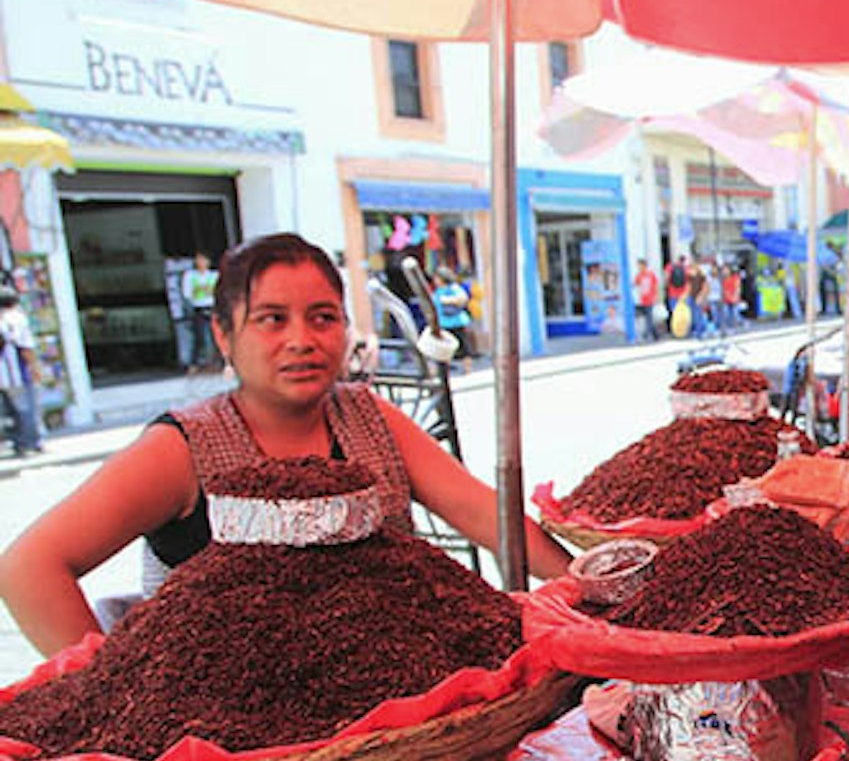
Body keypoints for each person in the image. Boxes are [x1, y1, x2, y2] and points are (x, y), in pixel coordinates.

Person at [0, 233, 572, 657]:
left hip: (394, 697)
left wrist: (588, 582)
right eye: (272, 320)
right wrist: (106, 688)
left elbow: (484, 514)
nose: (302, 340)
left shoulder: (371, 420)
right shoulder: (182, 448)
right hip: (233, 741)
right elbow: (28, 567)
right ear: (224, 334)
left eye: (323, 317)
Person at [1, 279, 45, 457]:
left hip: (3, 376)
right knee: (27, 408)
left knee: (12, 410)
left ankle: (17, 442)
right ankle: (31, 443)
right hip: (17, 373)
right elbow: (25, 347)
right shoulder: (17, 319)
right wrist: (34, 367)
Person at [430, 266, 475, 367]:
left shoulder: (453, 288)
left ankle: (467, 368)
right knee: (444, 349)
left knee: (464, 348)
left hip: (457, 322)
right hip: (443, 323)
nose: (435, 280)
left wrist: (446, 300)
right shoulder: (438, 291)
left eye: (437, 278)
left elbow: (463, 298)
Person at [181, 252, 219, 372]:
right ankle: (196, 363)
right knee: (201, 337)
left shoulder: (214, 275)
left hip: (212, 307)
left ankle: (216, 362)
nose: (202, 263)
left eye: (204, 260)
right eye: (199, 260)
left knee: (215, 337)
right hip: (198, 308)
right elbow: (187, 293)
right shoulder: (190, 276)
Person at [632, 258, 660, 341]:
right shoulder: (639, 275)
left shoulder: (651, 274)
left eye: (640, 265)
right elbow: (635, 284)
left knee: (649, 317)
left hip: (650, 298)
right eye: (638, 266)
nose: (639, 267)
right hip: (643, 299)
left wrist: (656, 296)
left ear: (644, 266)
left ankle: (646, 334)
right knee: (648, 317)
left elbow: (656, 285)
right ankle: (656, 334)